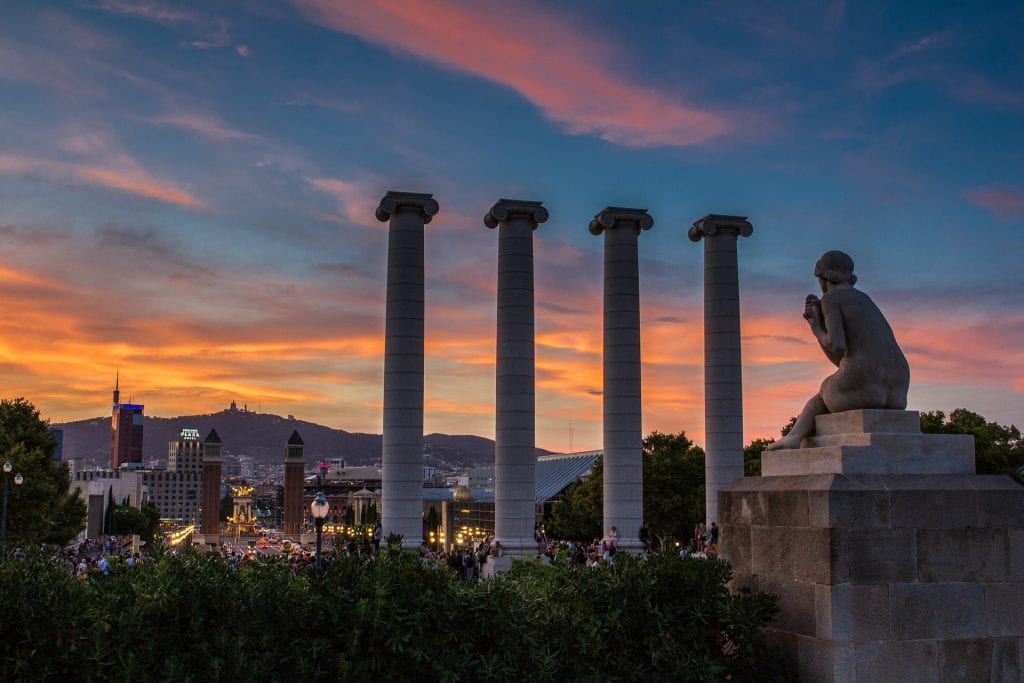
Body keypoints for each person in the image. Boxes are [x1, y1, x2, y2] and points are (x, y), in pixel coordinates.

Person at [767, 251, 910, 451]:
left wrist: (816, 327)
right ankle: (794, 436)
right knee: (836, 383)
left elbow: (838, 346)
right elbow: (848, 358)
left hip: (864, 382)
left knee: (825, 390)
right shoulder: (864, 299)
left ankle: (794, 437)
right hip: (898, 390)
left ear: (823, 279)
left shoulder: (831, 299)